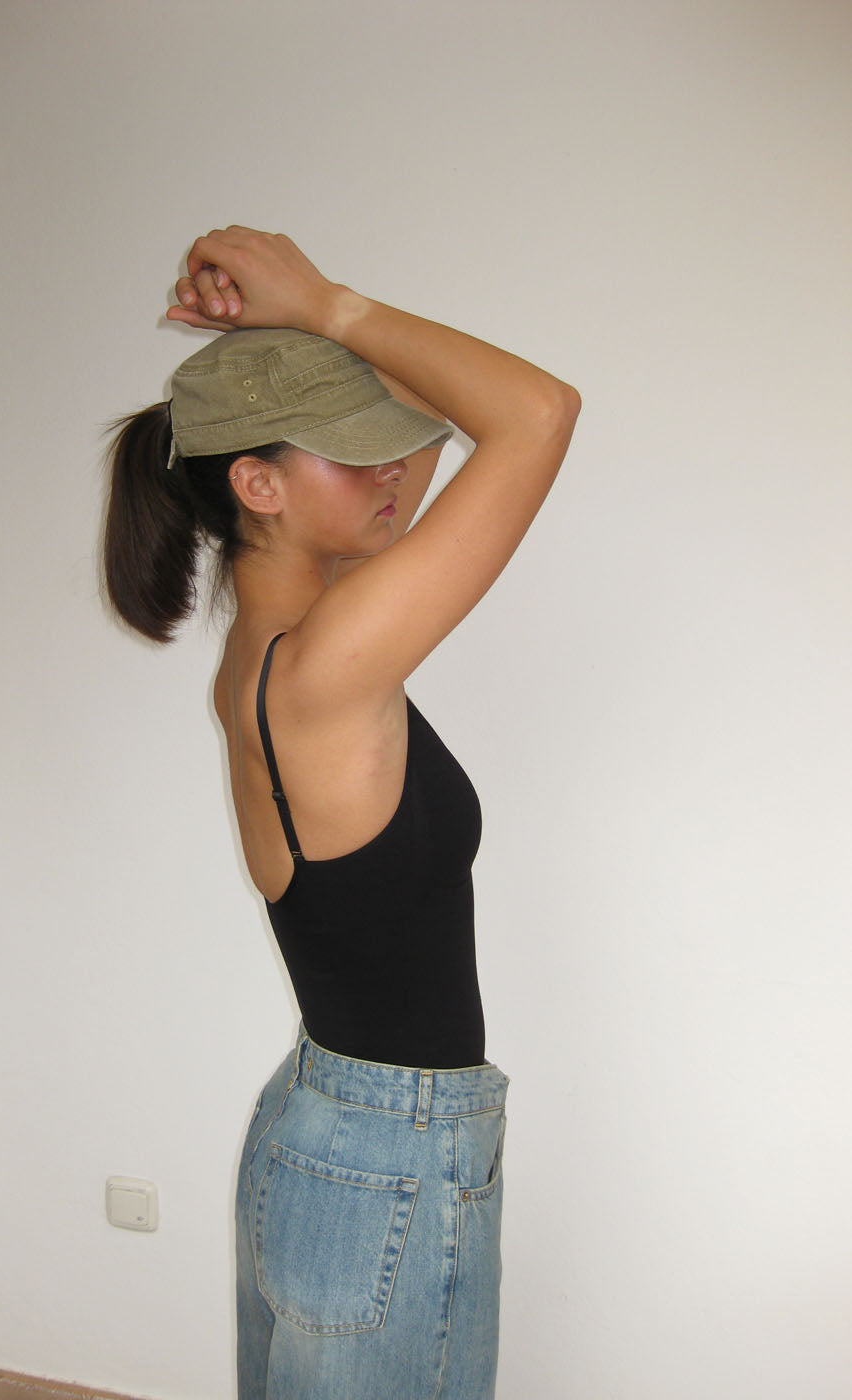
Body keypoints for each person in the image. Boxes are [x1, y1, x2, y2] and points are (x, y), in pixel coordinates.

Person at [102, 227, 579, 1399]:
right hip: (389, 1160)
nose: (391, 474)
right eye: (348, 455)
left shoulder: (279, 651)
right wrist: (326, 303)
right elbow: (537, 414)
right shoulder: (325, 666)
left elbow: (443, 431)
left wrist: (312, 331)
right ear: (257, 485)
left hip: (331, 1132)